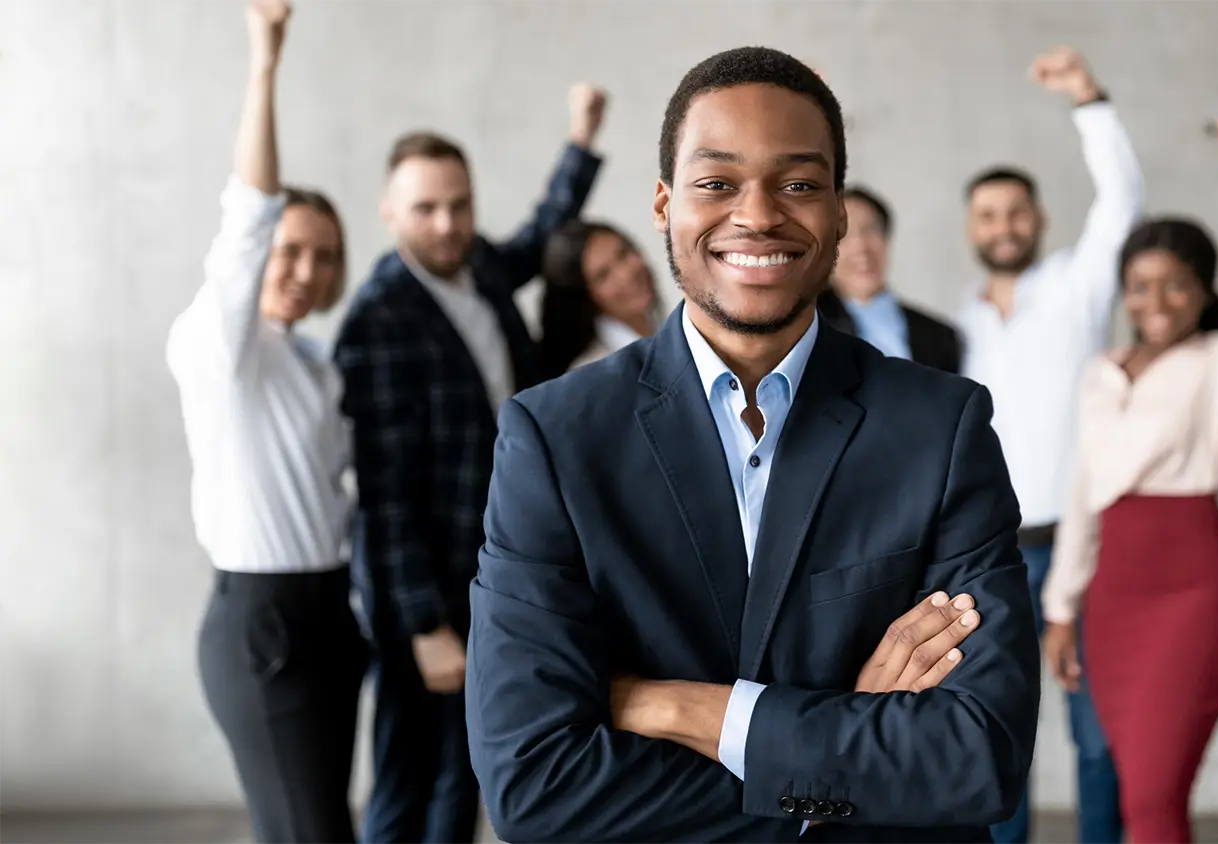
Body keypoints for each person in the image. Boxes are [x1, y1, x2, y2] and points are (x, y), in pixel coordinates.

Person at [466, 46, 1040, 844]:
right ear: (665, 205)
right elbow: (535, 785)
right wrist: (842, 755)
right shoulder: (554, 438)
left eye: (800, 183)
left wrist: (677, 707)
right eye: (717, 183)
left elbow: (977, 759)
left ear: (839, 211)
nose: (760, 213)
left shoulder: (941, 428)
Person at [332, 85, 608, 844]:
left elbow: (538, 237)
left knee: (468, 766)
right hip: (423, 589)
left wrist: (580, 142)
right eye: (427, 209)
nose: (448, 223)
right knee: (408, 772)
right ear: (390, 212)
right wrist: (424, 625)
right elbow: (382, 494)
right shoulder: (378, 319)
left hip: (489, 563)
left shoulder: (477, 266)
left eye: (460, 204)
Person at [1041, 117, 1218, 844]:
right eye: (1140, 286)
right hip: (1113, 595)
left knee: (1154, 797)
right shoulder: (1101, 373)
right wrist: (1061, 608)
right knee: (1131, 787)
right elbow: (1086, 490)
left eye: (1176, 286)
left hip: (1193, 589)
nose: (1155, 301)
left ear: (1203, 291)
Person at [165, 3, 364, 842]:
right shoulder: (220, 346)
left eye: (322, 254)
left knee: (324, 828)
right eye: (290, 251)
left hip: (329, 611)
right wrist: (265, 64)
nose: (305, 268)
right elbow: (246, 218)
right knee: (306, 831)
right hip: (262, 624)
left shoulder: (316, 363)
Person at [953, 45, 1143, 844]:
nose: (1005, 227)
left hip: (1082, 547)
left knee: (1097, 737)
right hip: (990, 557)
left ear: (1040, 220)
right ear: (971, 228)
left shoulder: (1076, 287)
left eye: (1017, 213)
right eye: (990, 216)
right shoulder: (953, 328)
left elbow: (1123, 200)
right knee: (1000, 739)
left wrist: (1087, 98)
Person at [818, 185, 962, 373]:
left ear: (886, 238)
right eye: (842, 235)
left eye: (870, 229)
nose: (860, 246)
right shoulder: (806, 330)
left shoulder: (938, 335)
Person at [538, 219, 663, 376]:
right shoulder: (593, 375)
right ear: (586, 298)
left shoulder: (669, 325)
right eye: (603, 275)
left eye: (623, 254)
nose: (626, 274)